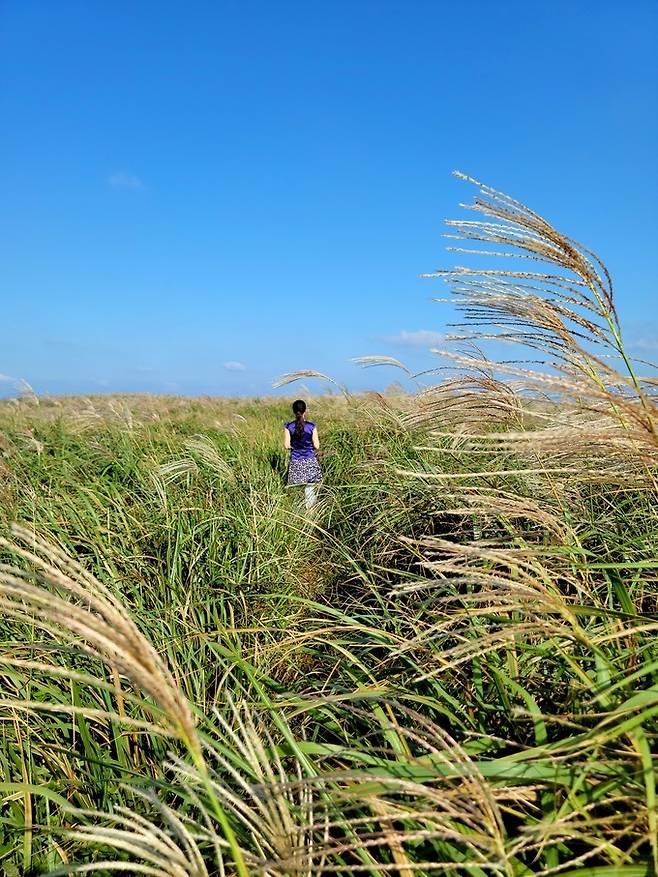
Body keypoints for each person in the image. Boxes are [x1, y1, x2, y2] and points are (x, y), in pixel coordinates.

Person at [283, 399, 322, 509]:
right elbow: (317, 446)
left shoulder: (288, 426)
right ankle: (311, 511)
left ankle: (297, 512)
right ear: (305, 411)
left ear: (294, 411)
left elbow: (286, 445)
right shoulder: (311, 426)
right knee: (310, 488)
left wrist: (295, 446)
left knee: (296, 489)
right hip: (310, 460)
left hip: (296, 461)